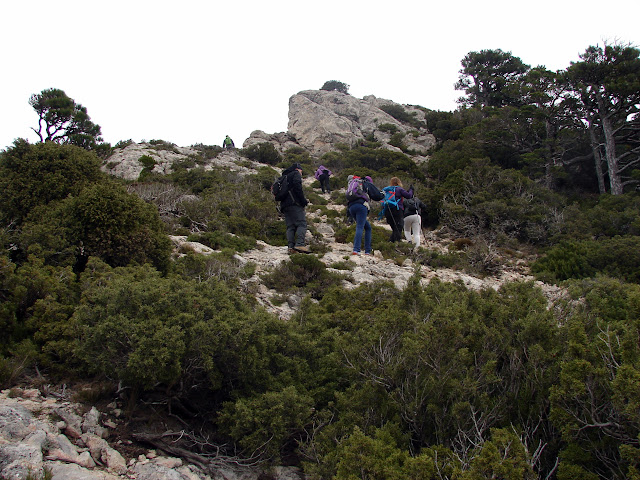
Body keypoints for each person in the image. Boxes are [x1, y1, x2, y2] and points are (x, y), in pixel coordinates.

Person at [347, 175, 384, 256]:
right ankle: (356, 250)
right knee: (360, 227)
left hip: (351, 207)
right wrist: (383, 194)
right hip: (361, 206)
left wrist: (349, 215)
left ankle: (367, 250)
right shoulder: (366, 183)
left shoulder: (354, 184)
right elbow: (377, 196)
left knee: (367, 227)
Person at [280, 163, 310, 254]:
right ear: (298, 169)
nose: (301, 173)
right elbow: (298, 187)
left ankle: (291, 247)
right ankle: (300, 244)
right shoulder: (295, 174)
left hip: (284, 206)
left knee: (290, 226)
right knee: (302, 224)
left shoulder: (284, 177)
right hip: (294, 203)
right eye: (301, 171)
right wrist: (303, 201)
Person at [382, 177, 414, 242]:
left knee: (394, 228)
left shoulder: (387, 190)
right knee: (399, 226)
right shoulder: (399, 189)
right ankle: (397, 242)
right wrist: (411, 190)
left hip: (387, 210)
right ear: (399, 182)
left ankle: (391, 242)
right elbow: (409, 196)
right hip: (397, 209)